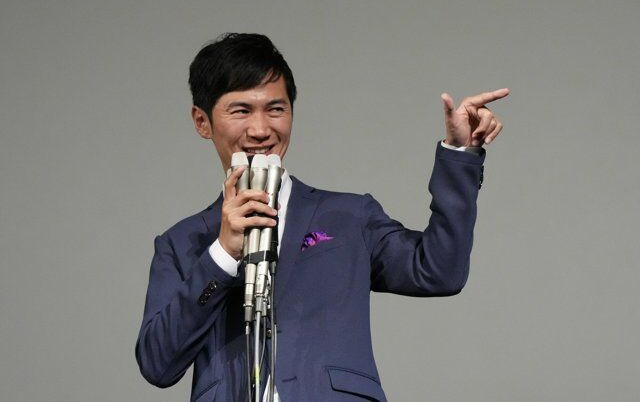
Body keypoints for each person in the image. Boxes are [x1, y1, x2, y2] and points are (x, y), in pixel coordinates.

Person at [135, 33, 507, 401]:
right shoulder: (182, 243)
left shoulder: (349, 216)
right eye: (241, 111)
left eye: (276, 109)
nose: (261, 129)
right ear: (202, 121)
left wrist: (460, 154)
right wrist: (221, 255)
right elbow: (157, 364)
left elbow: (439, 271)